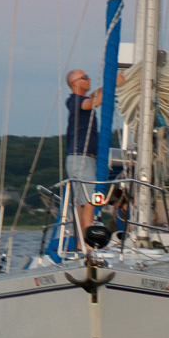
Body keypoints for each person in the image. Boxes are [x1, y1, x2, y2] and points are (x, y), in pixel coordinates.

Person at [65, 69, 103, 239]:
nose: (90, 79)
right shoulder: (75, 101)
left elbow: (93, 96)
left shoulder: (78, 99)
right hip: (81, 157)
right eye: (85, 77)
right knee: (88, 201)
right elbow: (93, 103)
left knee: (82, 202)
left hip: (78, 158)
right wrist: (113, 86)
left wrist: (106, 86)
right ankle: (87, 242)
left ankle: (81, 241)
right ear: (76, 83)